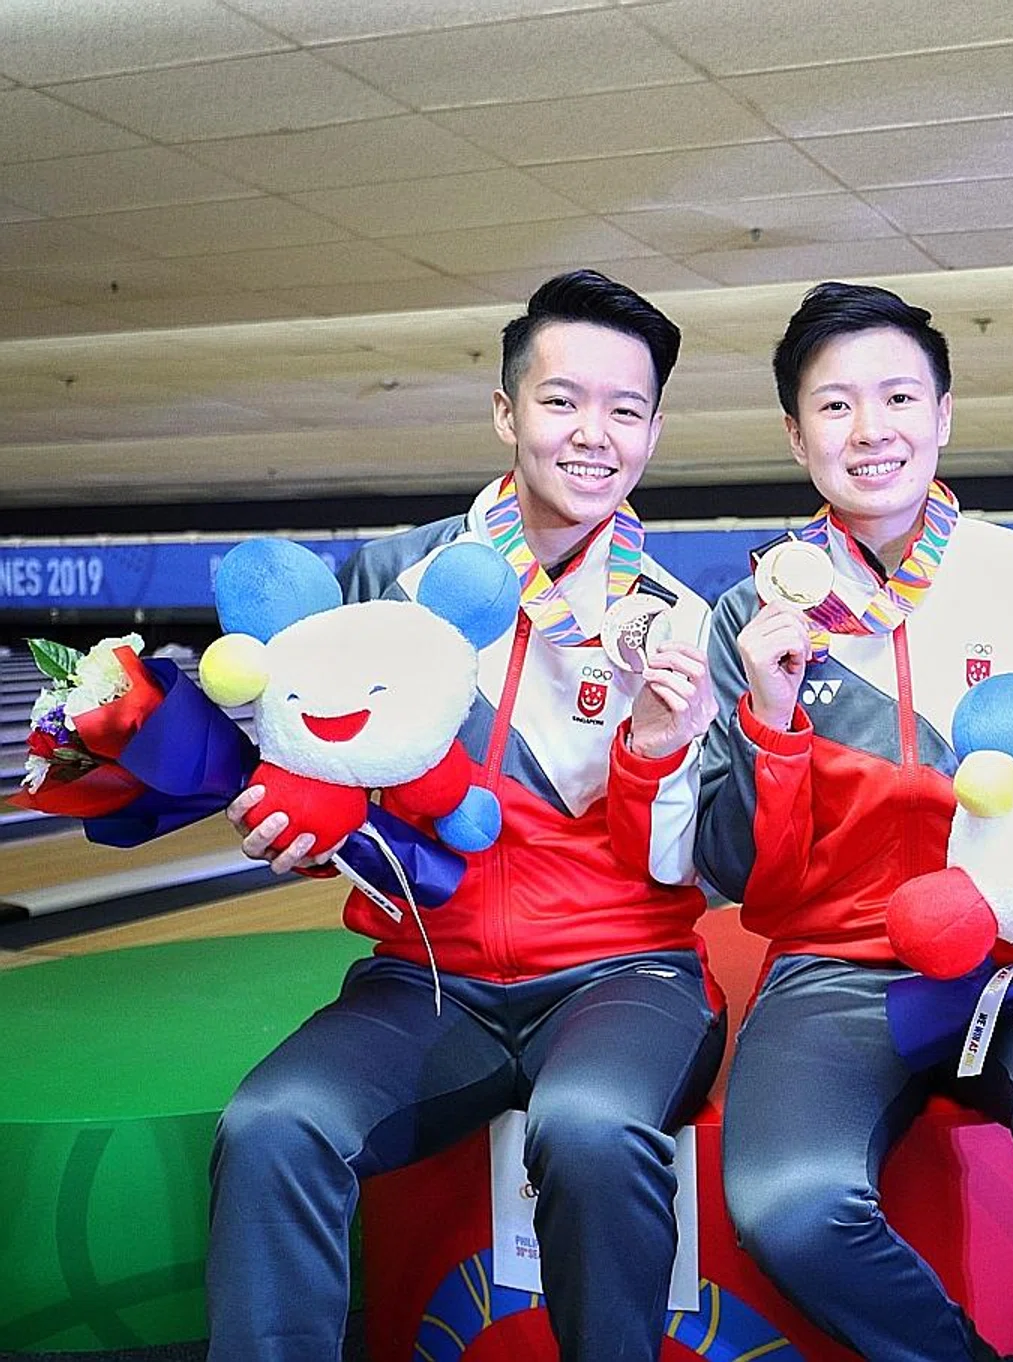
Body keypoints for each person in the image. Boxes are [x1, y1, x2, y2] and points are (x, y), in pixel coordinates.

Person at [209, 270, 722, 1362]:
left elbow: (682, 863)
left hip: (623, 977)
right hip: (427, 977)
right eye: (562, 401)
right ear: (507, 412)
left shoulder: (674, 619)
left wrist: (659, 744)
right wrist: (298, 839)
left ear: (653, 433)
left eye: (625, 412)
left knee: (591, 1129)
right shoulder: (395, 578)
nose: (594, 435)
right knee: (273, 1126)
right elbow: (335, 785)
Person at [698, 282, 1013, 1362]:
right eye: (835, 405)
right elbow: (733, 873)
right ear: (795, 432)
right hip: (838, 969)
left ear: (943, 414)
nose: (871, 431)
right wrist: (769, 714)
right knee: (786, 1204)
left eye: (898, 396)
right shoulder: (753, 615)